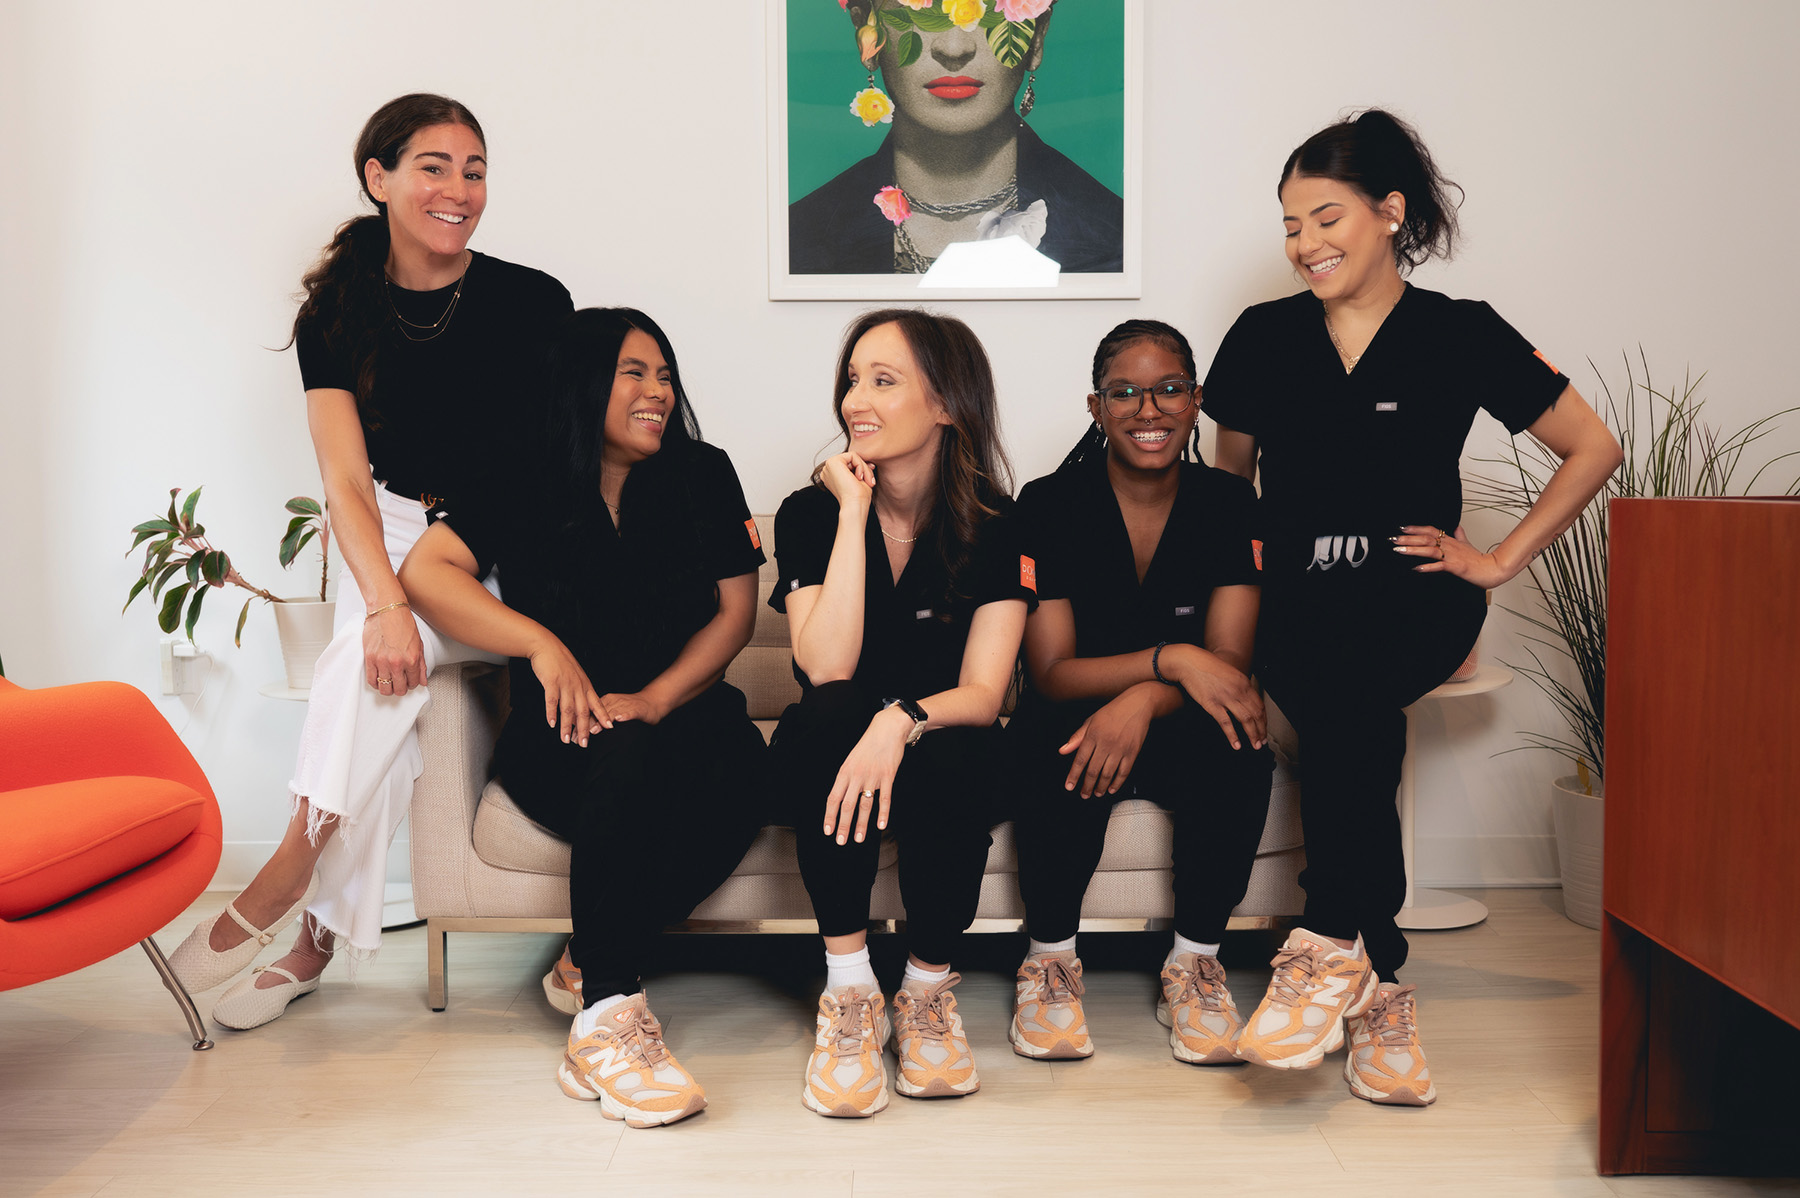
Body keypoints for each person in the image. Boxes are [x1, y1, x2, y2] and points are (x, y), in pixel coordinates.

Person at [1205, 109, 1623, 1105]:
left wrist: (1498, 560)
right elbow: (1229, 499)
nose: (1305, 243)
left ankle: (1326, 945)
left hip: (1416, 595)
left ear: (1390, 212)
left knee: (1352, 695)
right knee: (1352, 707)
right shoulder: (1264, 338)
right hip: (1296, 600)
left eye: (1325, 217)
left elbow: (1593, 446)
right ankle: (1378, 980)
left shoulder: (1461, 333)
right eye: (1290, 226)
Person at [166, 94, 573, 1027]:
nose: (459, 189)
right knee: (377, 666)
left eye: (475, 170)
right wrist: (387, 600)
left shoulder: (531, 301)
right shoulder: (338, 314)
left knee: (364, 671)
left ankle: (287, 888)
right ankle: (312, 935)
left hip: (502, 539)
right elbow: (345, 483)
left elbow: (553, 454)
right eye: (434, 166)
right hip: (391, 527)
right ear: (378, 178)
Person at [399, 308, 767, 1129]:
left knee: (750, 773)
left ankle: (589, 957)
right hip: (562, 740)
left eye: (665, 374)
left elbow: (737, 612)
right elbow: (429, 569)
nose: (657, 392)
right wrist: (540, 645)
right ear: (582, 382)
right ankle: (609, 1015)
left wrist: (659, 697)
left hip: (689, 720)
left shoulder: (704, 473)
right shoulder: (520, 474)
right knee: (625, 755)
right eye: (634, 372)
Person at [765, 308, 1033, 1117]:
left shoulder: (996, 521)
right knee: (824, 718)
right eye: (853, 379)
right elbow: (825, 665)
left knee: (958, 752)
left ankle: (924, 992)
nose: (856, 400)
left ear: (948, 403)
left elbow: (984, 694)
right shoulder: (811, 513)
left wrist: (901, 720)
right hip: (834, 754)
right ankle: (849, 992)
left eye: (883, 381)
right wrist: (851, 511)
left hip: (938, 747)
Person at [1006, 319, 1274, 1065]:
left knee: (1240, 741)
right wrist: (1170, 659)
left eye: (1169, 390)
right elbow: (1054, 669)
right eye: (1124, 392)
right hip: (1074, 710)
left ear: (1197, 402)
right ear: (1096, 407)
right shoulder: (1048, 502)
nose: (1148, 410)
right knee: (1053, 738)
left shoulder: (1229, 504)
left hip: (1182, 718)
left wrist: (1150, 692)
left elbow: (1227, 662)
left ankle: (1194, 964)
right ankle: (1049, 961)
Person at [789, 0, 1122, 274]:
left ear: (1036, 37)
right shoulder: (799, 240)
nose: (954, 47)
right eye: (919, 9)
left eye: (990, 6)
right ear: (867, 34)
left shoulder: (1114, 237)